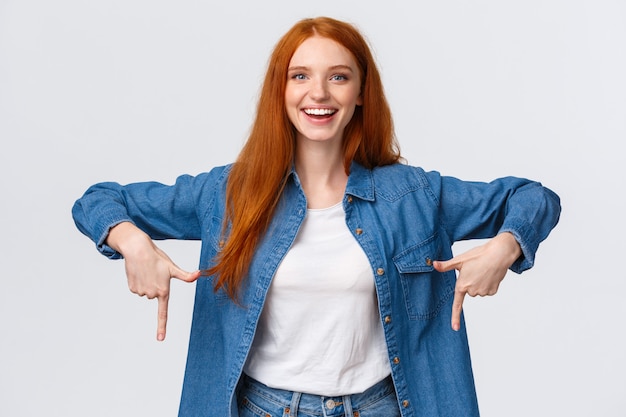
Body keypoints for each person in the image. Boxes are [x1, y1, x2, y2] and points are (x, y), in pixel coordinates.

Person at [72, 16, 561, 417]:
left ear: (361, 92)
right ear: (280, 91)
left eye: (339, 76)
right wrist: (132, 241)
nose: (319, 93)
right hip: (262, 408)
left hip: (382, 407)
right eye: (300, 75)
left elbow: (534, 198)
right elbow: (98, 200)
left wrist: (506, 246)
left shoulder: (413, 194)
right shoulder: (227, 193)